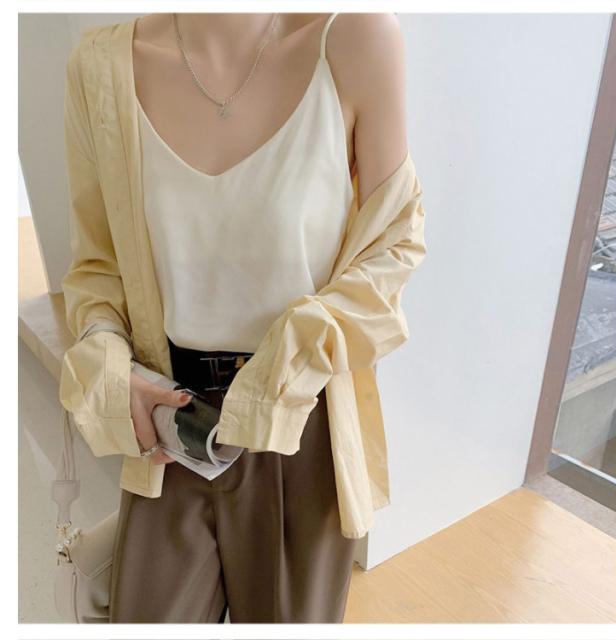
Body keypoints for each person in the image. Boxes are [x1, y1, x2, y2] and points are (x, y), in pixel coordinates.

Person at [65, 11, 410, 624]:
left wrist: (292, 356)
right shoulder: (99, 66)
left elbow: (392, 246)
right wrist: (113, 366)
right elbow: (98, 265)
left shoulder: (354, 39)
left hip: (301, 425)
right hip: (171, 425)